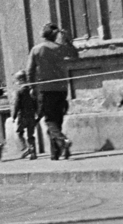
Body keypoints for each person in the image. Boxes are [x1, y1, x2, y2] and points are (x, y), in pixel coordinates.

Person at [26, 23, 80, 160]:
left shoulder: (36, 49)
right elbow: (75, 55)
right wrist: (68, 40)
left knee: (49, 120)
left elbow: (30, 71)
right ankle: (55, 153)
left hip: (45, 89)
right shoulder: (61, 48)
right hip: (61, 88)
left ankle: (62, 140)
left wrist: (32, 87)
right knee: (57, 119)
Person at [8, 71, 40, 160]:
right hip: (32, 116)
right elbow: (36, 103)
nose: (16, 82)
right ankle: (33, 152)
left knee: (19, 132)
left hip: (23, 116)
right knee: (31, 135)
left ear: (21, 80)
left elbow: (17, 104)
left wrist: (13, 116)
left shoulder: (19, 91)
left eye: (17, 80)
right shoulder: (31, 90)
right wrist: (37, 114)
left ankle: (27, 148)